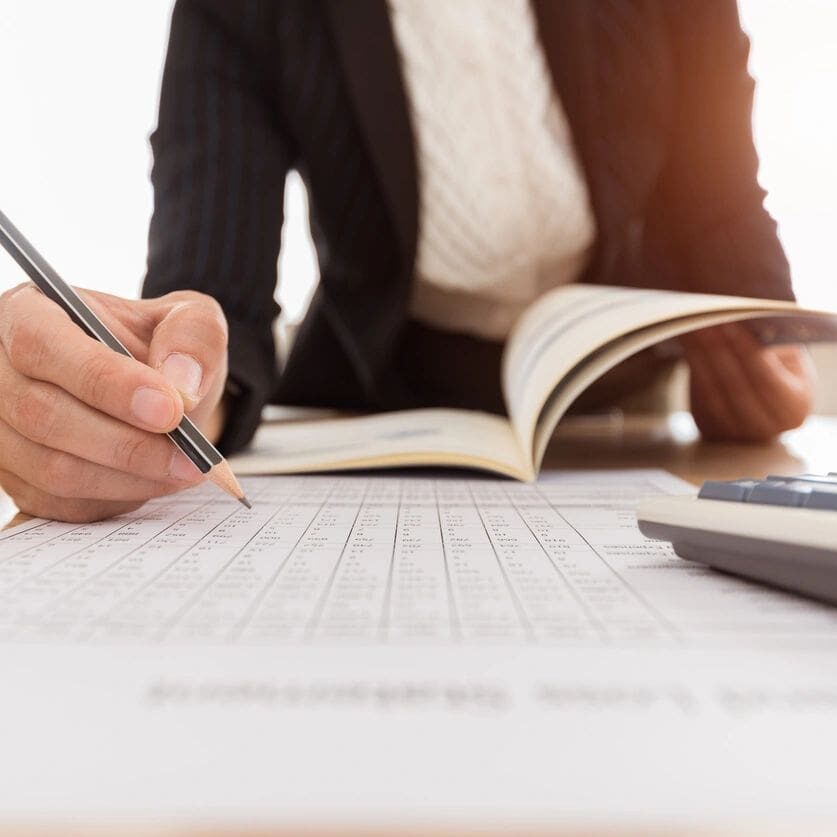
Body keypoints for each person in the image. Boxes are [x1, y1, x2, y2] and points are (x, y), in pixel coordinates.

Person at [0, 0, 815, 522]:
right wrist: (165, 388)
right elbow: (215, 297)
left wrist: (765, 347)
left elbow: (718, 201)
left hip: (620, 414)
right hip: (381, 412)